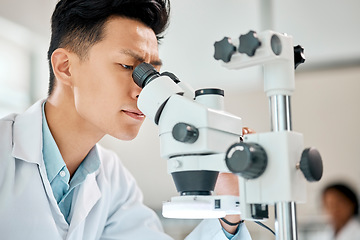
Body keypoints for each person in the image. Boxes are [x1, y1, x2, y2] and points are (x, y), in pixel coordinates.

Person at [0, 0, 251, 239]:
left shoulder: (112, 178)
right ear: (65, 67)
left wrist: (229, 205)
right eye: (127, 66)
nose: (144, 91)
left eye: (153, 74)